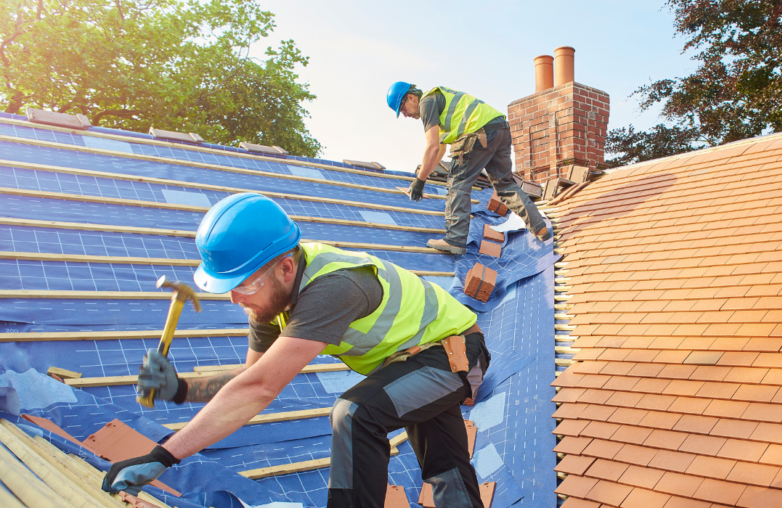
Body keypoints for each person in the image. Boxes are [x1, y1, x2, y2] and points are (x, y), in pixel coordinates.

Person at [101, 193, 490, 508]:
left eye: (245, 284)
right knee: (447, 469)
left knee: (354, 414)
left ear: (286, 268)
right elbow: (249, 380)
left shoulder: (334, 288)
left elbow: (259, 390)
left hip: (454, 353)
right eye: (228, 287)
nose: (236, 298)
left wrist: (163, 456)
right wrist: (182, 389)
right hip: (411, 362)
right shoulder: (269, 298)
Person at [386, 81, 551, 255]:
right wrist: (423, 178)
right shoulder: (439, 103)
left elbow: (432, 146)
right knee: (505, 185)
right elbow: (439, 150)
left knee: (458, 183)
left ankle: (455, 239)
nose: (405, 115)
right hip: (500, 129)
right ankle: (540, 228)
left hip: (478, 132)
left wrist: (419, 182)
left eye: (403, 109)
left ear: (411, 97)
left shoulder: (426, 103)